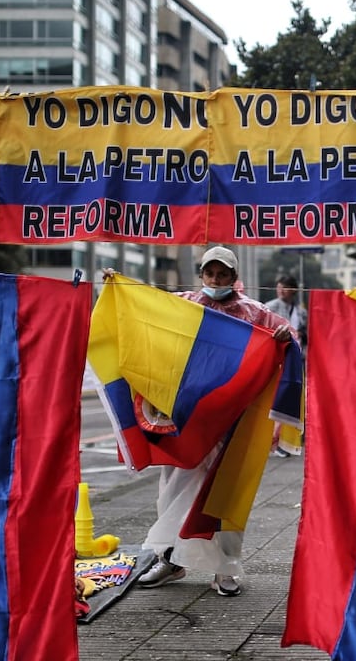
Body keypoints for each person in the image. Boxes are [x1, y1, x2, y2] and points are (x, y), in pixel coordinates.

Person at [111, 246, 293, 597]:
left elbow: (286, 334)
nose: (216, 280)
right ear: (201, 275)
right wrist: (119, 289)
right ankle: (170, 560)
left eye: (222, 274)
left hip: (230, 425)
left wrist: (284, 337)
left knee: (223, 496)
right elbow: (144, 308)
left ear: (233, 277)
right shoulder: (182, 304)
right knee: (172, 491)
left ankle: (225, 569)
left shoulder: (254, 312)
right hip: (184, 420)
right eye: (210, 274)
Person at [264, 275, 308, 456]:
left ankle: (284, 440)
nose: (281, 290)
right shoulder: (269, 307)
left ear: (294, 290)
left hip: (296, 359)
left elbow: (306, 334)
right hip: (277, 359)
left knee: (292, 398)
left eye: (285, 287)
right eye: (279, 287)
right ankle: (274, 440)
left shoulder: (300, 311)